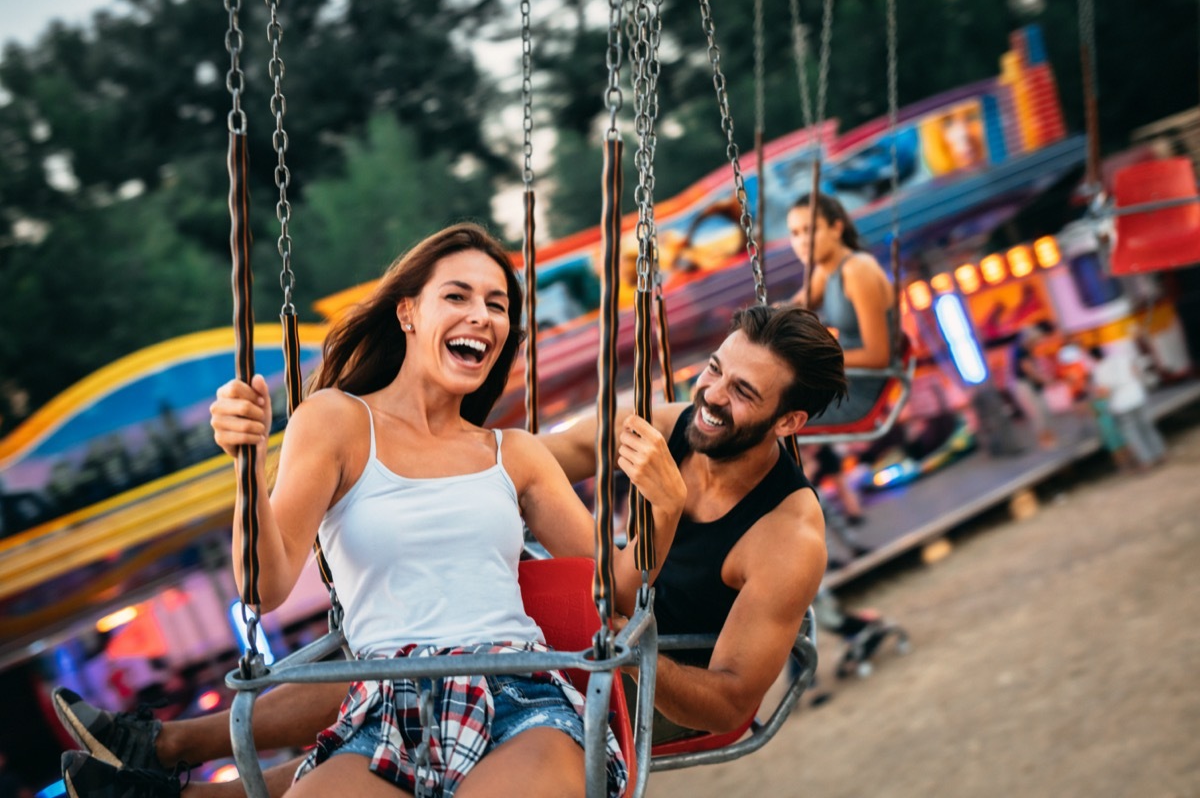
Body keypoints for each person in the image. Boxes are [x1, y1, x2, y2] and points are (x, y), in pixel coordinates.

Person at [54, 304, 842, 793]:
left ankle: (172, 760)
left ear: (788, 423)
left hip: (654, 689)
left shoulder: (787, 534)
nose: (711, 396)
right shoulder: (664, 420)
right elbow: (535, 460)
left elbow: (733, 700)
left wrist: (610, 657)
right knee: (428, 630)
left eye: (743, 393)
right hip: (581, 631)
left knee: (450, 661)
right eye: (715, 371)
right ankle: (163, 753)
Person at [59, 223, 687, 798]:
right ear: (408, 311)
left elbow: (617, 586)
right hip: (383, 710)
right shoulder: (335, 421)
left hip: (520, 699)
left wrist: (666, 505)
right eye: (459, 297)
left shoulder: (515, 455)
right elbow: (263, 587)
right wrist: (244, 464)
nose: (483, 316)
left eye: (498, 305)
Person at [786, 191, 896, 427]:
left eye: (810, 230)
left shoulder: (857, 271)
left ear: (836, 228)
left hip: (855, 393)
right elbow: (795, 307)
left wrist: (815, 361)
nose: (802, 241)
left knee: (763, 415)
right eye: (795, 233)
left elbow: (879, 357)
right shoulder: (825, 269)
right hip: (836, 382)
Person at [1089, 344, 1167, 470]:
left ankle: (1146, 460)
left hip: (1120, 404)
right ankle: (1160, 454)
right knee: (1146, 426)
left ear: (1093, 358)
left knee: (1133, 433)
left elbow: (1104, 392)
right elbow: (1135, 371)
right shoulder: (1121, 358)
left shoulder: (1099, 370)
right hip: (1136, 396)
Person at [1009, 320, 1058, 449]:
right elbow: (1028, 370)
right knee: (1039, 413)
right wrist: (1045, 380)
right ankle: (1046, 441)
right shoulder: (1021, 351)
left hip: (1030, 384)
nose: (1037, 343)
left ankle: (1049, 438)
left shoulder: (1023, 350)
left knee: (1043, 410)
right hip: (1024, 385)